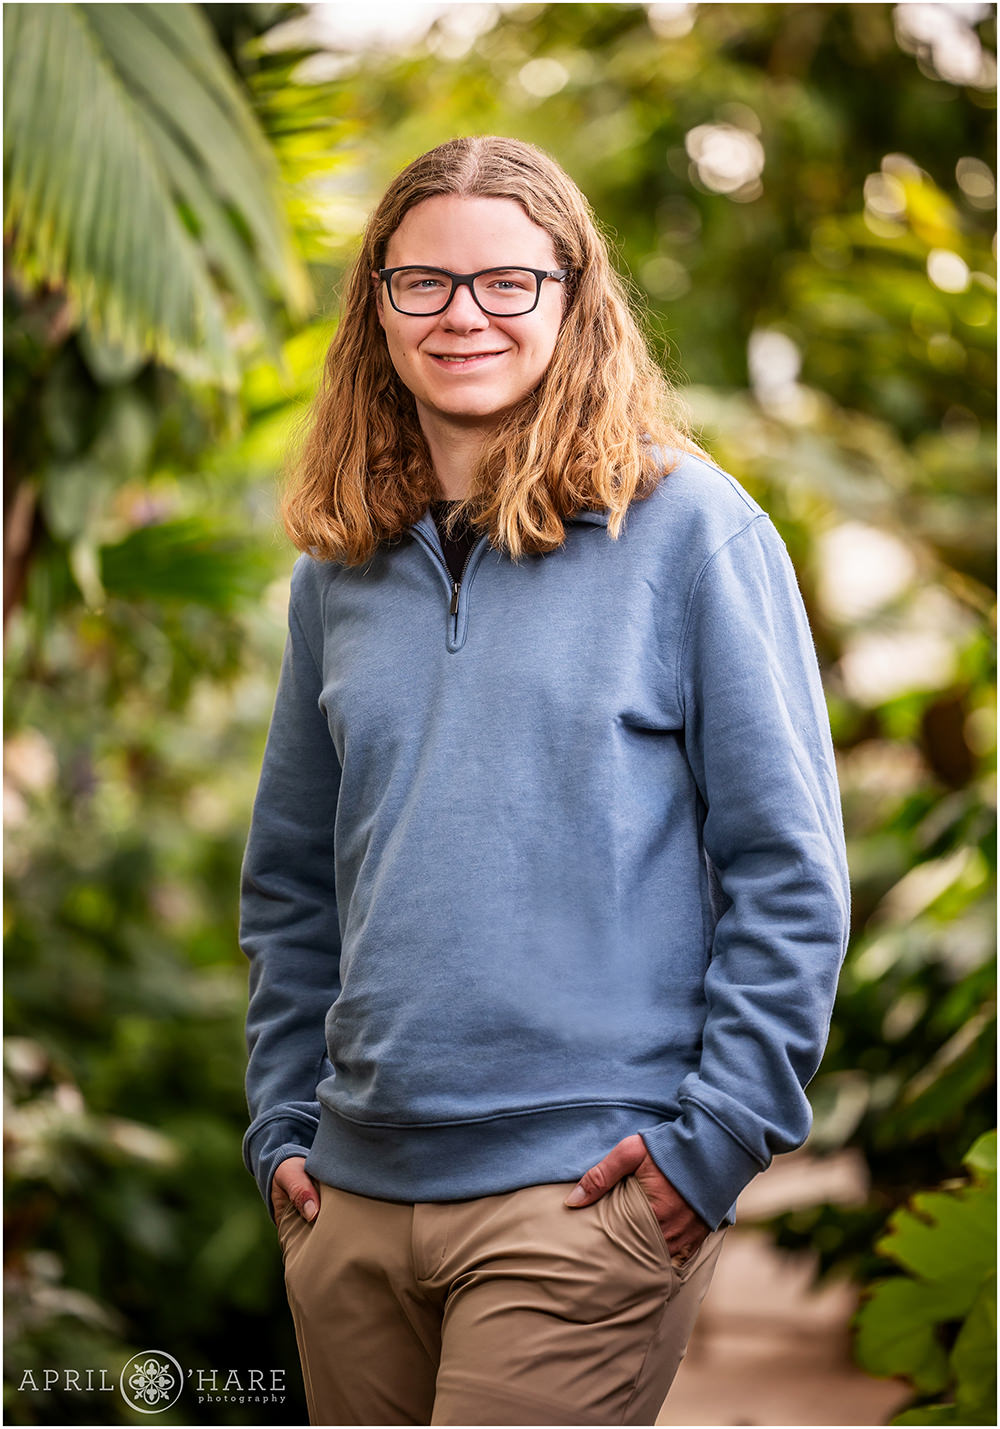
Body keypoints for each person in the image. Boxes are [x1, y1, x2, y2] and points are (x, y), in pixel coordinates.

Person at [239, 134, 851, 1427]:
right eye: (425, 284)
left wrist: (715, 1143)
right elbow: (291, 879)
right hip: (348, 1203)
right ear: (378, 311)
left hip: (581, 1200)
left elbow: (788, 870)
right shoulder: (335, 576)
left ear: (574, 300)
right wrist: (283, 1126)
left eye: (508, 282)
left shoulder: (693, 533)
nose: (464, 314)